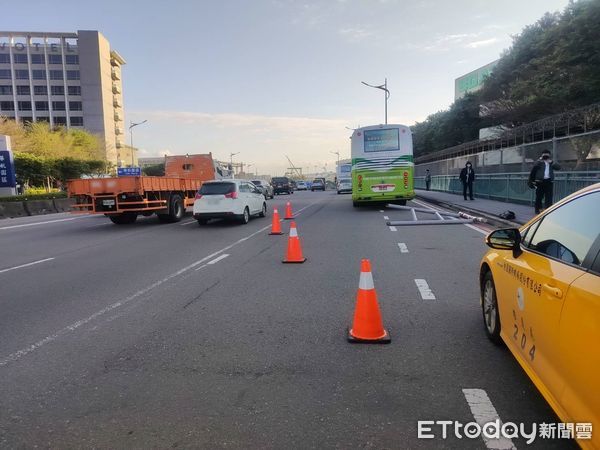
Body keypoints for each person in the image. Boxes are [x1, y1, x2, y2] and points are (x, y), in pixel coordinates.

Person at [528, 149, 561, 214]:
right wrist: (539, 160)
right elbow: (533, 169)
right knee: (539, 196)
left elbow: (558, 167)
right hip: (540, 182)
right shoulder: (539, 162)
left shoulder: (551, 162)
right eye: (544, 155)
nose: (545, 156)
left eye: (547, 155)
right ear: (542, 155)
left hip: (549, 181)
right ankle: (537, 210)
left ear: (549, 155)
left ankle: (548, 210)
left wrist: (551, 162)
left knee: (549, 197)